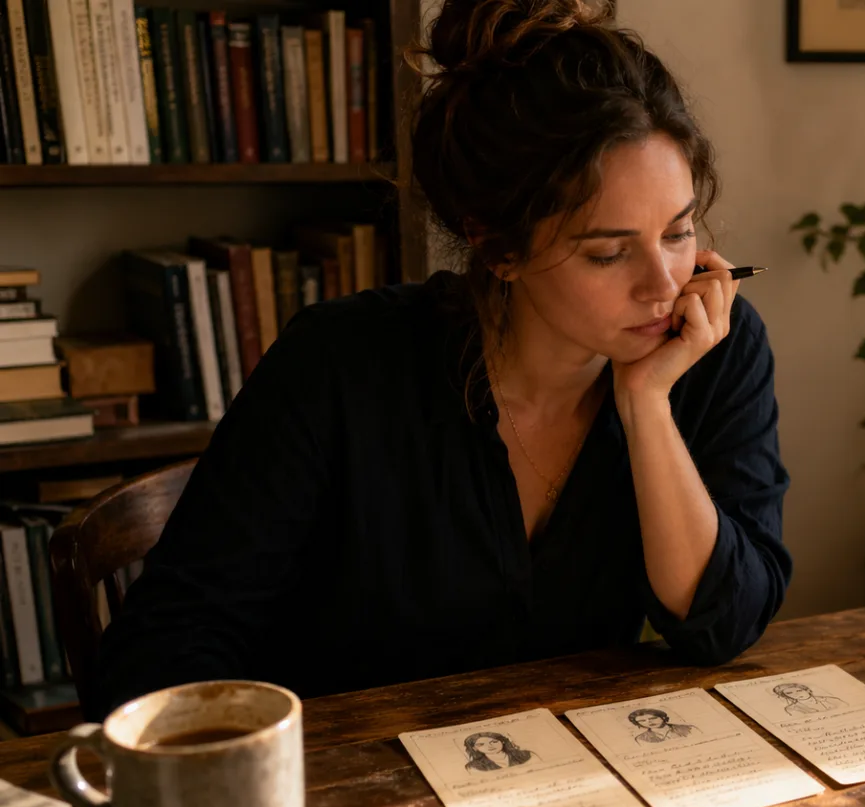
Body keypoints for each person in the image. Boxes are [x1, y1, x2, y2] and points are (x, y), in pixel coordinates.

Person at [88, 0, 792, 719]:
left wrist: (646, 407)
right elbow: (160, 654)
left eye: (678, 233)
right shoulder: (340, 366)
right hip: (346, 787)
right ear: (498, 249)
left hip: (572, 788)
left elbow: (722, 626)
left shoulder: (713, 350)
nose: (665, 283)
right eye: (608, 252)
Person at [462, 731, 536, 771]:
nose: (490, 746)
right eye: (481, 744)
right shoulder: (474, 766)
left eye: (494, 742)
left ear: (502, 742)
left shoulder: (527, 755)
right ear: (474, 748)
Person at [627, 708, 697, 744]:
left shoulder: (689, 729)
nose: (649, 722)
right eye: (642, 721)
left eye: (653, 718)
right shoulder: (641, 738)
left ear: (663, 718)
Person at [772, 682, 845, 716]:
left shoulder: (830, 700)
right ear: (786, 696)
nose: (796, 694)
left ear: (807, 690)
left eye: (799, 690)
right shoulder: (791, 708)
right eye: (789, 693)